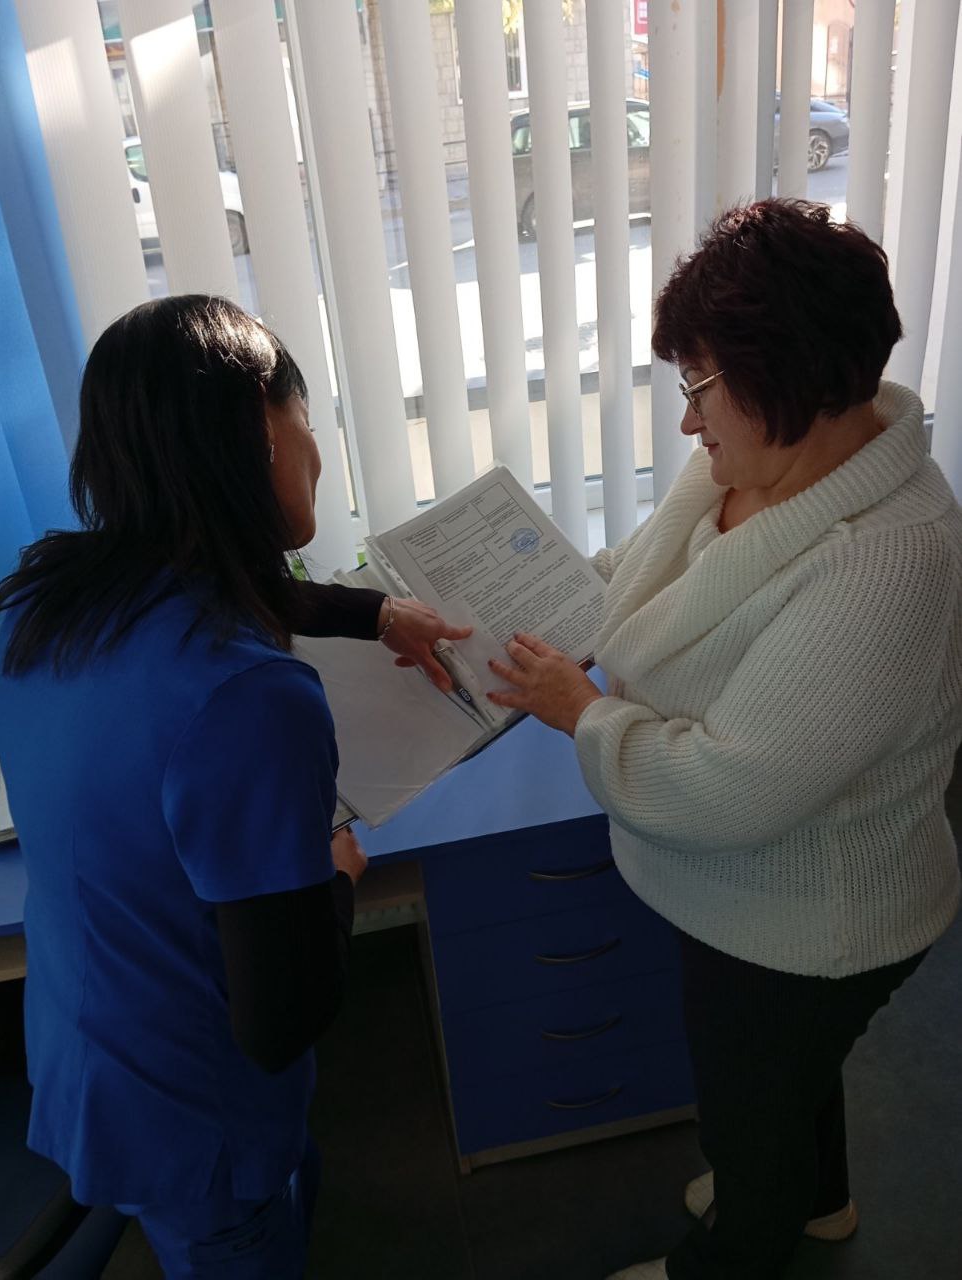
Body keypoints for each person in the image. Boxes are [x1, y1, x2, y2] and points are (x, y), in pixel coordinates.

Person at [486, 199, 962, 1280]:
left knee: (751, 1114)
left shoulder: (886, 559)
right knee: (792, 1080)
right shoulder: (754, 461)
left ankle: (735, 1254)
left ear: (785, 372)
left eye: (700, 387)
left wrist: (582, 711)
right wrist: (542, 602)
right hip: (755, 896)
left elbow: (724, 787)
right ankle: (821, 1201)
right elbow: (650, 576)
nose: (689, 424)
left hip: (810, 919)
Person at [0, 294, 469, 1278]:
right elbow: (283, 1017)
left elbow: (215, 583)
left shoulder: (41, 599)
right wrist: (337, 873)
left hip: (91, 1035)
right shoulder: (249, 698)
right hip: (199, 1110)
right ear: (262, 426)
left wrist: (376, 612)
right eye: (307, 418)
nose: (317, 448)